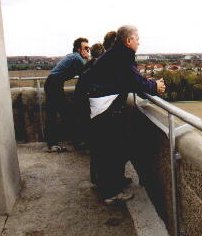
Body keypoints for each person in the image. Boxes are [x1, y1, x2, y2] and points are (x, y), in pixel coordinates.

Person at [80, 25, 166, 205]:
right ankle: (110, 192)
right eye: (137, 38)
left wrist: (148, 85)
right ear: (128, 41)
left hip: (97, 104)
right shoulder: (123, 56)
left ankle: (107, 182)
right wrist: (155, 86)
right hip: (103, 107)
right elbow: (136, 82)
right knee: (112, 149)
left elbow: (130, 81)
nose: (139, 42)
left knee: (108, 148)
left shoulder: (115, 54)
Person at [44, 37, 90, 152]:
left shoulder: (74, 57)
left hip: (54, 84)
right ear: (79, 49)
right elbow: (87, 74)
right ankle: (75, 142)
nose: (88, 50)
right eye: (86, 48)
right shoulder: (76, 57)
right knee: (64, 113)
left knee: (55, 113)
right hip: (54, 84)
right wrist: (89, 59)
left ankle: (53, 143)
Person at [72, 43, 105, 150]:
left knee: (82, 120)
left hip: (80, 94)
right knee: (87, 120)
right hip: (85, 96)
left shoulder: (90, 62)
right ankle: (86, 144)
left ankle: (82, 143)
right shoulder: (96, 63)